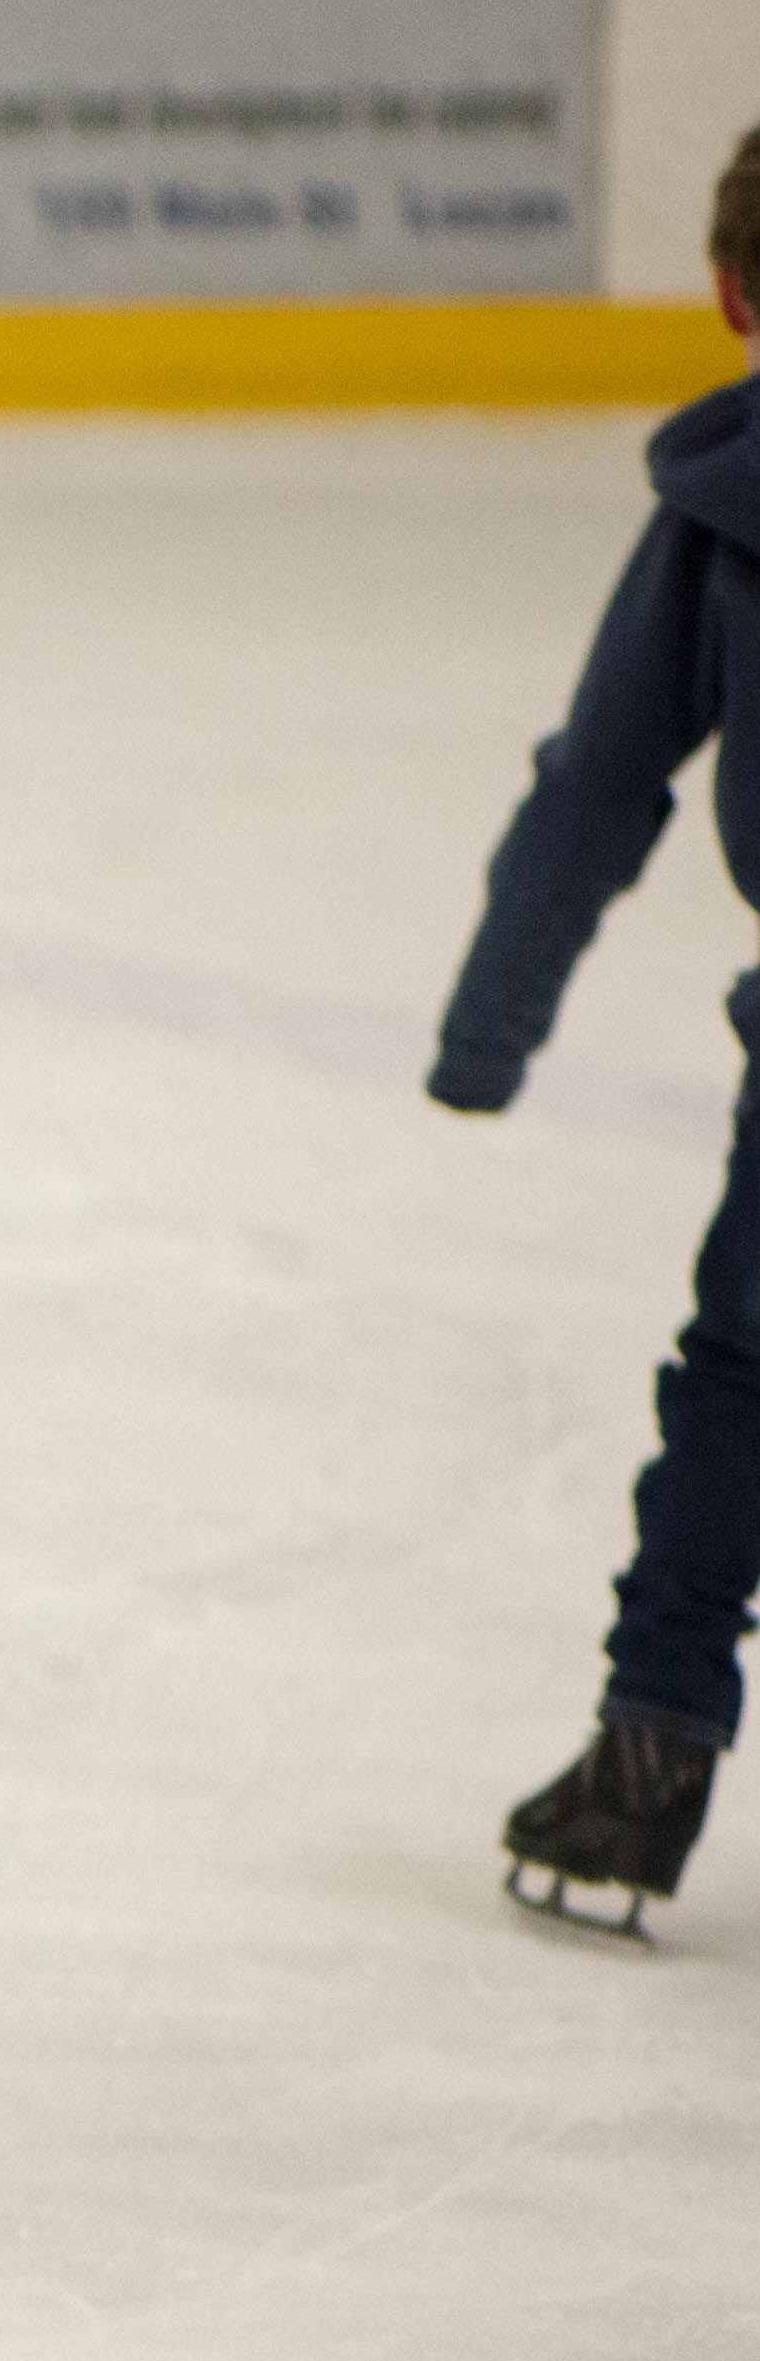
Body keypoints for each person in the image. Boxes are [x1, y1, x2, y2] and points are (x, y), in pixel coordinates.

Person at [432, 120, 760, 1944]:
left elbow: (596, 785)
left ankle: (645, 1759)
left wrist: (489, 1031)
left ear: (724, 295)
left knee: (737, 1382)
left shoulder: (720, 508)